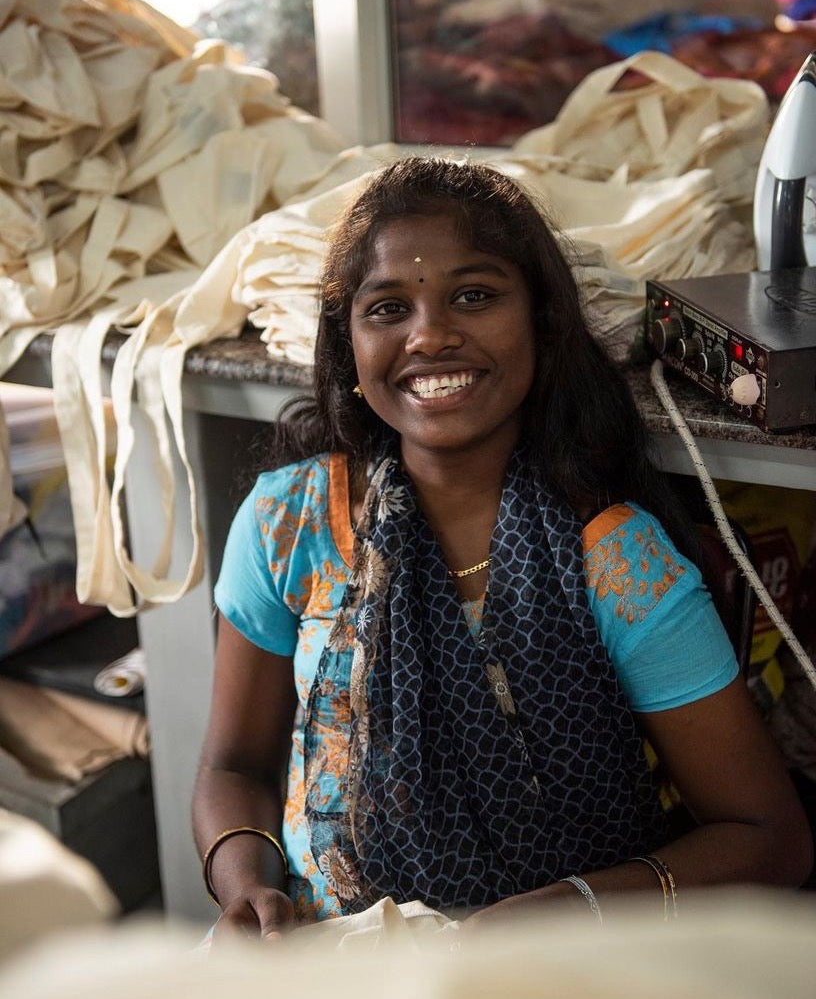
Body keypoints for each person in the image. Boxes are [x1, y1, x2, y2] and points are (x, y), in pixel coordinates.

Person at [192, 157, 812, 942]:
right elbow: (232, 767)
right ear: (349, 350)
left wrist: (575, 906)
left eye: (474, 296)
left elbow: (769, 837)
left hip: (561, 963)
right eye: (387, 307)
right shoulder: (293, 524)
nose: (431, 333)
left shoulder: (620, 566)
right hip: (336, 955)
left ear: (542, 327)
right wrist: (246, 883)